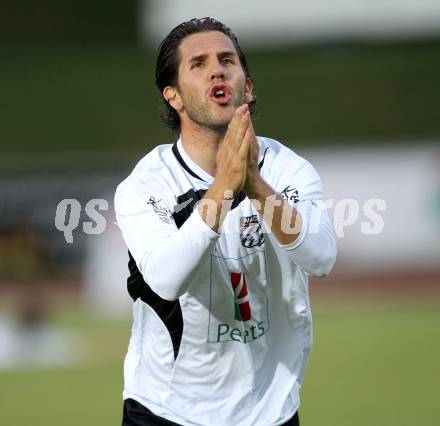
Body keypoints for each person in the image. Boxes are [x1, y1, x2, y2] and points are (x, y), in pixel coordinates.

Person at [115, 17, 337, 426]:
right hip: (166, 409)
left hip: (268, 409)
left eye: (227, 60)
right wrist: (225, 186)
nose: (217, 69)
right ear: (174, 97)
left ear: (246, 87)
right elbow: (166, 279)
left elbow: (321, 257)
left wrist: (254, 185)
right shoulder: (147, 185)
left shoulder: (287, 170)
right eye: (198, 64)